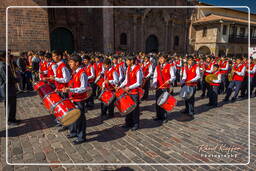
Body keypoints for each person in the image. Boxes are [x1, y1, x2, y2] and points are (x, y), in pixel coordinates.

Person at [63, 55, 87, 145]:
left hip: (79, 99)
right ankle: (74, 132)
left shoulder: (82, 73)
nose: (69, 64)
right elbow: (73, 84)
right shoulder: (74, 72)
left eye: (71, 62)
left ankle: (81, 137)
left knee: (80, 119)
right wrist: (67, 88)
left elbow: (83, 88)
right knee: (73, 117)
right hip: (73, 98)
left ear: (77, 63)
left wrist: (71, 90)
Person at [49, 50, 71, 131]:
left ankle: (67, 123)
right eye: (53, 56)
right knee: (61, 107)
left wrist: (55, 78)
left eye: (55, 56)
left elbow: (66, 79)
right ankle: (64, 122)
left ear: (60, 56)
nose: (53, 57)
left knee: (65, 108)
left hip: (64, 90)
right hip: (60, 89)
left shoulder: (63, 67)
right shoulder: (58, 66)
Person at [119, 56, 142, 131]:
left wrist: (129, 87)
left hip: (134, 92)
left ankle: (136, 124)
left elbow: (138, 82)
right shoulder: (128, 68)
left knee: (135, 109)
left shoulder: (138, 69)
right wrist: (120, 86)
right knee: (128, 108)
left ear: (132, 61)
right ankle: (128, 123)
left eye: (127, 61)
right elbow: (126, 80)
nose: (126, 62)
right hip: (128, 92)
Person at [152, 55, 176, 123]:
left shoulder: (169, 66)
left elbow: (173, 76)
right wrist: (154, 83)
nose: (160, 59)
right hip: (159, 87)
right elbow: (155, 76)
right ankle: (158, 116)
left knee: (164, 102)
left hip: (166, 87)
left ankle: (164, 117)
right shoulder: (157, 67)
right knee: (158, 102)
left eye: (162, 58)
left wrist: (169, 81)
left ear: (165, 59)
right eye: (159, 58)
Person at [0, 51, 21, 125]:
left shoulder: (5, 65)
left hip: (10, 88)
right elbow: (7, 79)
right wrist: (17, 79)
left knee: (12, 105)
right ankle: (10, 121)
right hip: (7, 89)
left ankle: (13, 118)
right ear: (2, 58)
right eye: (7, 56)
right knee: (9, 105)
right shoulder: (2, 66)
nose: (9, 57)